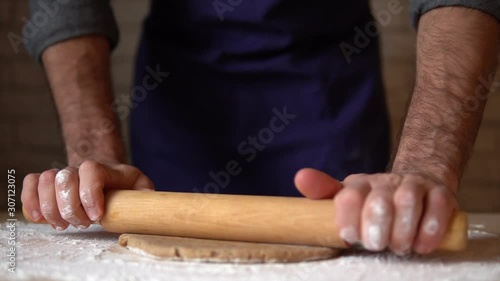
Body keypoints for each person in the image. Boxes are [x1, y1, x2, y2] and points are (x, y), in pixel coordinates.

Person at [21, 0, 499, 255]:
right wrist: (94, 157)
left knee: (365, 241)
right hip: (181, 99)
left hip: (326, 91)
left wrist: (424, 166)